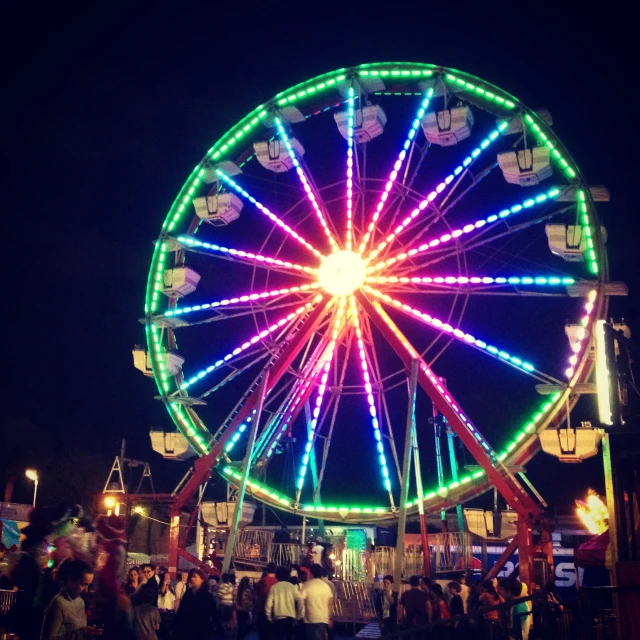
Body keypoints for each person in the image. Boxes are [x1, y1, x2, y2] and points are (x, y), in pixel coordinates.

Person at [40, 558, 102, 639]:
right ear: (70, 580)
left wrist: (89, 632)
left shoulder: (80, 602)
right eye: (83, 584)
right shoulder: (58, 605)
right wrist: (82, 633)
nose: (86, 590)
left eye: (88, 585)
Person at [172, 568, 218, 640]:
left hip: (200, 630)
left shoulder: (207, 596)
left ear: (202, 579)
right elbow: (181, 611)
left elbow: (214, 614)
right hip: (186, 630)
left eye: (195, 577)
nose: (193, 579)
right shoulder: (188, 594)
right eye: (192, 577)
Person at [266, 566, 305, 640]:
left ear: (277, 575)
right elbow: (300, 599)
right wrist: (299, 615)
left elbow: (268, 604)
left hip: (277, 618)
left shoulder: (274, 587)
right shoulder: (292, 587)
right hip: (290, 618)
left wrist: (268, 616)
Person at [301, 564, 333, 640]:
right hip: (323, 618)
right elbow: (330, 603)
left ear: (311, 573)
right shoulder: (326, 586)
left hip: (310, 618)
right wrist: (330, 618)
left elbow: (300, 599)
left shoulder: (307, 585)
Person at [255, 562, 278, 640]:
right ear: (275, 570)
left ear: (267, 570)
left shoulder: (261, 581)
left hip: (261, 609)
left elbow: (257, 594)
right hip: (274, 611)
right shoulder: (278, 582)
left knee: (263, 634)